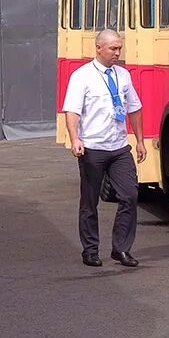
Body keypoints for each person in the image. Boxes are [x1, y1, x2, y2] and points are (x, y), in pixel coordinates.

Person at [61, 29, 147, 267]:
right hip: (93, 148)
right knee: (90, 201)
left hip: (119, 147)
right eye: (113, 49)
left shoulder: (123, 75)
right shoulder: (82, 76)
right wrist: (75, 138)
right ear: (98, 48)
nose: (117, 53)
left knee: (129, 195)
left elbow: (134, 108)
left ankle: (121, 249)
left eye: (119, 48)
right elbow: (72, 110)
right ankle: (90, 249)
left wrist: (139, 140)